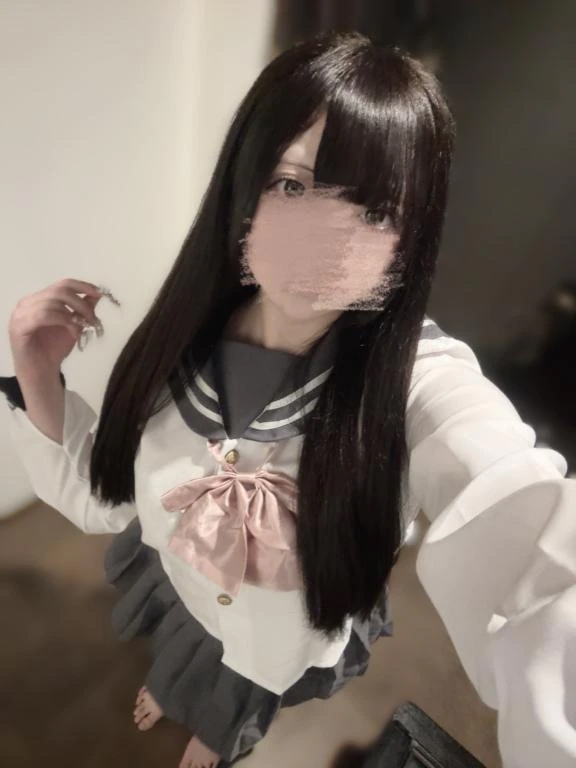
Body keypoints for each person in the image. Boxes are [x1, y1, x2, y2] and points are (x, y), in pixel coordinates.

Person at [2, 32, 575, 768]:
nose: (325, 241)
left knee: (249, 680)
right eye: (294, 186)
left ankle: (221, 729)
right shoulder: (183, 337)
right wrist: (35, 368)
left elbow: (522, 523)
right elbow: (109, 495)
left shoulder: (416, 384)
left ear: (410, 237)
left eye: (374, 210)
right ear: (245, 187)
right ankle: (182, 691)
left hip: (281, 639)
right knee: (194, 642)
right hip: (191, 585)